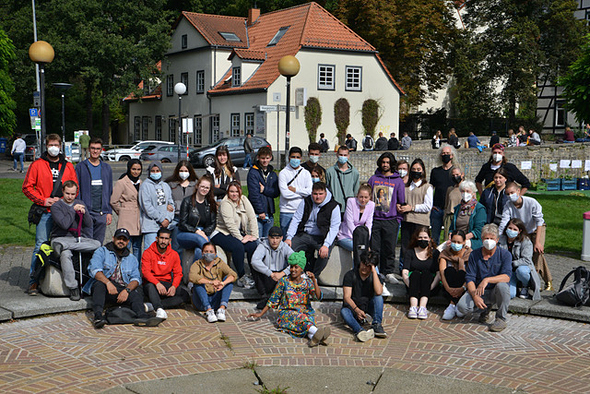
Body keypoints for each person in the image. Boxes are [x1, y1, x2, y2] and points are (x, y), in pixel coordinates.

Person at [23, 133, 77, 296]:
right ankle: (34, 281)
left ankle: (61, 279)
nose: (54, 148)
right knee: (41, 245)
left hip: (63, 212)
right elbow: (27, 187)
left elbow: (75, 187)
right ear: (46, 146)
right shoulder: (37, 165)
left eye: (56, 145)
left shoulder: (68, 166)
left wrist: (64, 201)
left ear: (60, 146)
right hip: (45, 212)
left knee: (63, 247)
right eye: (50, 145)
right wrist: (43, 200)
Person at [247, 251, 331, 347]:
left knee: (306, 320)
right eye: (291, 267)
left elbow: (318, 297)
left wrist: (314, 281)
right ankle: (317, 333)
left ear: (301, 269)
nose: (292, 270)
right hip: (287, 314)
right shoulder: (284, 281)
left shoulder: (307, 282)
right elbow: (273, 300)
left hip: (304, 312)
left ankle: (314, 338)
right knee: (303, 320)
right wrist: (260, 314)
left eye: (296, 267)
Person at [83, 228, 162, 329]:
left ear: (128, 242)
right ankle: (98, 317)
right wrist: (108, 283)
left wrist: (127, 290)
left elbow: (136, 278)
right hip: (107, 288)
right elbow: (94, 270)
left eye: (124, 240)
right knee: (99, 284)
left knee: (136, 290)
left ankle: (142, 316)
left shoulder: (132, 258)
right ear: (113, 238)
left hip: (122, 289)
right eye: (119, 238)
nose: (121, 241)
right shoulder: (102, 251)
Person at [50, 180, 102, 301]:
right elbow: (64, 224)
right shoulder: (56, 206)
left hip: (75, 239)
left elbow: (89, 224)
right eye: (67, 193)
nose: (70, 197)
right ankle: (73, 288)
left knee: (98, 244)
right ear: (63, 191)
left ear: (76, 193)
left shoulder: (80, 203)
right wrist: (73, 210)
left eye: (73, 194)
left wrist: (85, 213)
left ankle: (63, 246)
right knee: (65, 254)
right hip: (60, 237)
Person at [456, 224, 512, 332]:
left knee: (503, 286)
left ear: (497, 240)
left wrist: (487, 280)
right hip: (478, 290)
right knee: (462, 307)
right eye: (486, 238)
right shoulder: (474, 255)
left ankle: (501, 318)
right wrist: (474, 296)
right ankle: (484, 309)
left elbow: (506, 277)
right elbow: (470, 278)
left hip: (495, 291)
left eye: (492, 238)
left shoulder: (505, 254)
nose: (489, 241)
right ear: (482, 239)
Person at [499, 182, 552, 291]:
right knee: (528, 253)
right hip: (521, 230)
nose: (510, 196)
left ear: (518, 191)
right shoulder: (508, 205)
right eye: (507, 194)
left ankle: (542, 280)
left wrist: (537, 242)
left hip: (536, 228)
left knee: (537, 251)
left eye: (512, 193)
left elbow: (539, 222)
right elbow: (504, 223)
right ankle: (540, 280)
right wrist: (498, 238)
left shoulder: (531, 202)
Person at [285, 182, 341, 277]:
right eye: (315, 194)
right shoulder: (305, 201)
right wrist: (289, 237)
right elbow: (296, 219)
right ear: (311, 193)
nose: (317, 197)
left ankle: (313, 277)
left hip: (322, 237)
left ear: (325, 193)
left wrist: (326, 245)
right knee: (287, 249)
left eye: (320, 194)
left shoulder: (334, 206)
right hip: (305, 234)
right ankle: (293, 275)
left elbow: (334, 227)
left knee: (323, 255)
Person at [210, 181, 258, 288]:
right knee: (238, 247)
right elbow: (230, 224)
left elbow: (252, 217)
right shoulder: (225, 203)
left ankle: (255, 274)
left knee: (252, 245)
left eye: (237, 191)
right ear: (228, 192)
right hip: (221, 232)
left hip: (236, 232)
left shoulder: (244, 200)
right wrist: (241, 238)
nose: (234, 194)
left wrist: (254, 236)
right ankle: (241, 277)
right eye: (231, 191)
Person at [368, 152, 405, 283]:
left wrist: (398, 219)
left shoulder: (398, 181)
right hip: (375, 220)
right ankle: (375, 271)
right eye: (383, 162)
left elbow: (401, 201)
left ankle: (388, 272)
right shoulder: (373, 179)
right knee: (375, 247)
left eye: (388, 162)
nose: (385, 165)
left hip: (391, 220)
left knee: (389, 248)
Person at [142, 228, 190, 320]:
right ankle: (159, 309)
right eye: (161, 238)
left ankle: (153, 305)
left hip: (166, 284)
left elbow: (178, 273)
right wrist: (157, 284)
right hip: (152, 284)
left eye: (166, 239)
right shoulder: (148, 253)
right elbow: (145, 272)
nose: (163, 241)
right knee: (149, 286)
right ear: (157, 238)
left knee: (185, 295)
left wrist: (174, 286)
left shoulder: (174, 254)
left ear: (170, 240)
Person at [341, 251, 386, 341]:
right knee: (344, 312)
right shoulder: (350, 275)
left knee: (379, 298)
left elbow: (378, 292)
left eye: (368, 266)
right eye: (363, 264)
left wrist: (373, 271)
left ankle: (377, 325)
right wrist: (357, 310)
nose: (364, 267)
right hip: (353, 307)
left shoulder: (376, 277)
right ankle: (359, 331)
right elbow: (347, 297)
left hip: (368, 306)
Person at [75, 137, 113, 244]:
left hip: (101, 213)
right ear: (88, 149)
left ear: (101, 150)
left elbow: (110, 191)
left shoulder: (106, 168)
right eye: (92, 148)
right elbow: (77, 190)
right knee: (86, 242)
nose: (95, 151)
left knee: (98, 243)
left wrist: (109, 212)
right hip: (86, 212)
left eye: (97, 149)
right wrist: (79, 207)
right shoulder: (81, 167)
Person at [397, 159, 433, 271]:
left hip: (420, 222)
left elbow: (428, 206)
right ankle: (404, 269)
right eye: (413, 169)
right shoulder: (405, 186)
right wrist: (399, 205)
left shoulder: (427, 187)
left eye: (418, 169)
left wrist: (412, 207)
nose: (416, 171)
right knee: (405, 247)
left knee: (420, 246)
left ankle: (420, 268)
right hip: (407, 220)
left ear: (423, 171)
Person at [189, 242, 236, 323]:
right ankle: (209, 311)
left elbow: (233, 274)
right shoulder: (197, 264)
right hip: (201, 301)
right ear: (202, 253)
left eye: (211, 252)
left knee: (229, 281)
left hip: (215, 298)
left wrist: (222, 283)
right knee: (198, 283)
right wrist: (211, 282)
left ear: (215, 254)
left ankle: (221, 309)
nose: (208, 254)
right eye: (206, 251)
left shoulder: (219, 262)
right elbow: (192, 277)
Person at [251, 226, 294, 309]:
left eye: (277, 238)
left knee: (295, 270)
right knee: (254, 268)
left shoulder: (285, 247)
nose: (274, 241)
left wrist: (282, 273)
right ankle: (264, 297)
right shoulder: (263, 245)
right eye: (272, 238)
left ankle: (282, 296)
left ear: (281, 238)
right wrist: (270, 273)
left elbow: (297, 261)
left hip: (280, 276)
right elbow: (254, 261)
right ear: (268, 237)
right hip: (267, 276)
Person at [402, 227, 440, 319]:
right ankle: (413, 307)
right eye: (420, 237)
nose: (423, 240)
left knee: (426, 273)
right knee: (415, 273)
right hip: (413, 285)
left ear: (430, 239)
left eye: (425, 238)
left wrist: (429, 287)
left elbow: (438, 273)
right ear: (416, 238)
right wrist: (410, 285)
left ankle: (423, 307)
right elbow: (405, 271)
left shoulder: (435, 253)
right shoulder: (410, 252)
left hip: (429, 286)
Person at [498, 218, 541, 300]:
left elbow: (527, 260)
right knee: (510, 295)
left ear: (520, 231)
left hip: (521, 267)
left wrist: (511, 263)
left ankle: (525, 286)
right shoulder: (500, 239)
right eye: (510, 228)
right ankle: (516, 287)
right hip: (508, 272)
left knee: (522, 271)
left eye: (515, 229)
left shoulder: (526, 241)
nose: (511, 231)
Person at [178, 175, 217, 263]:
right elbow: (182, 224)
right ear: (197, 186)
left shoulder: (210, 203)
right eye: (202, 186)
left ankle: (197, 274)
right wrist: (196, 231)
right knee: (202, 242)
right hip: (186, 233)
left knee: (199, 251)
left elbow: (213, 224)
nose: (204, 189)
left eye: (207, 188)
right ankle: (217, 264)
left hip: (203, 233)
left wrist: (204, 232)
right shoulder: (187, 201)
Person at [111, 159, 143, 262]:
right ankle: (124, 269)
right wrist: (122, 211)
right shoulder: (122, 182)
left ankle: (136, 271)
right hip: (126, 218)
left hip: (138, 218)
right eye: (133, 169)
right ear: (129, 169)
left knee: (137, 247)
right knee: (125, 246)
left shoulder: (141, 182)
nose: (136, 172)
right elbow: (113, 201)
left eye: (138, 169)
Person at [139, 163, 175, 251]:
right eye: (153, 171)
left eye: (157, 171)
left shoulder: (165, 186)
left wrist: (167, 219)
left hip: (165, 226)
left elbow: (171, 204)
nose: (155, 173)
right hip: (151, 226)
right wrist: (161, 219)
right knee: (150, 252)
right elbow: (147, 206)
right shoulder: (145, 186)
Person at [278, 146, 312, 236]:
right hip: (286, 211)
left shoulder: (306, 173)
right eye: (293, 157)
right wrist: (301, 194)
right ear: (289, 157)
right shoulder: (283, 173)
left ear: (301, 158)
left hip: (301, 211)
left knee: (299, 238)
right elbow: (285, 194)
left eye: (297, 157)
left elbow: (309, 191)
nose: (295, 159)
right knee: (286, 238)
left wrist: (295, 190)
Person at [166, 160, 198, 254]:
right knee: (176, 246)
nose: (183, 173)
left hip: (190, 219)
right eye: (181, 171)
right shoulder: (171, 184)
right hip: (176, 218)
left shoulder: (195, 184)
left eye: (186, 171)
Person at [439, 229, 471, 320]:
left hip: (464, 287)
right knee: (449, 271)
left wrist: (461, 289)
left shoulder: (469, 254)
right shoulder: (445, 253)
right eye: (453, 241)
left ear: (464, 242)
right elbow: (442, 273)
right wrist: (448, 289)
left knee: (462, 273)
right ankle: (453, 305)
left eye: (458, 242)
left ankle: (452, 304)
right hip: (448, 287)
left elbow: (471, 274)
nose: (456, 244)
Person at [247, 147, 279, 238]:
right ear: (258, 158)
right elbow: (254, 194)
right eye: (263, 158)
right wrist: (260, 211)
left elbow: (276, 192)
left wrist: (264, 190)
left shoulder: (272, 174)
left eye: (267, 158)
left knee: (267, 239)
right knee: (258, 239)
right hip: (258, 213)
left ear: (271, 158)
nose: (265, 160)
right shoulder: (253, 172)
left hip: (269, 212)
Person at [429, 145, 458, 244]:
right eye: (443, 153)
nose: (445, 155)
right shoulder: (435, 171)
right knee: (434, 237)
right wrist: (431, 205)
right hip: (437, 208)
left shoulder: (455, 172)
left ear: (452, 155)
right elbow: (430, 188)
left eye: (447, 153)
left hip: (451, 209)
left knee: (449, 237)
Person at [448, 181, 486, 250]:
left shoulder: (479, 209)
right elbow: (451, 228)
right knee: (440, 250)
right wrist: (451, 235)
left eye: (468, 191)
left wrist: (462, 239)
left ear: (473, 193)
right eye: (463, 191)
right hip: (456, 239)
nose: (465, 193)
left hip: (472, 240)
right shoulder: (457, 208)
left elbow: (478, 230)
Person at [337, 184, 374, 252]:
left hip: (360, 237)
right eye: (361, 197)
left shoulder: (371, 205)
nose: (363, 200)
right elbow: (349, 222)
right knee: (359, 249)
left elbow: (369, 223)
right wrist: (358, 237)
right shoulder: (351, 201)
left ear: (370, 197)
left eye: (366, 197)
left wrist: (366, 239)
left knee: (364, 249)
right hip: (346, 235)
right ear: (357, 195)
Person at [325, 145, 360, 214]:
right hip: (334, 207)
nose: (342, 157)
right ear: (337, 155)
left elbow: (356, 191)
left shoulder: (355, 172)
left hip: (349, 208)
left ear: (348, 156)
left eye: (345, 155)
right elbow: (327, 189)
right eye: (341, 154)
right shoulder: (330, 171)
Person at [443, 166, 463, 241]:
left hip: (461, 216)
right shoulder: (450, 189)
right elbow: (446, 204)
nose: (455, 177)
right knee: (447, 240)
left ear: (462, 174)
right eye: (453, 175)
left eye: (457, 175)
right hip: (449, 216)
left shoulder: (467, 188)